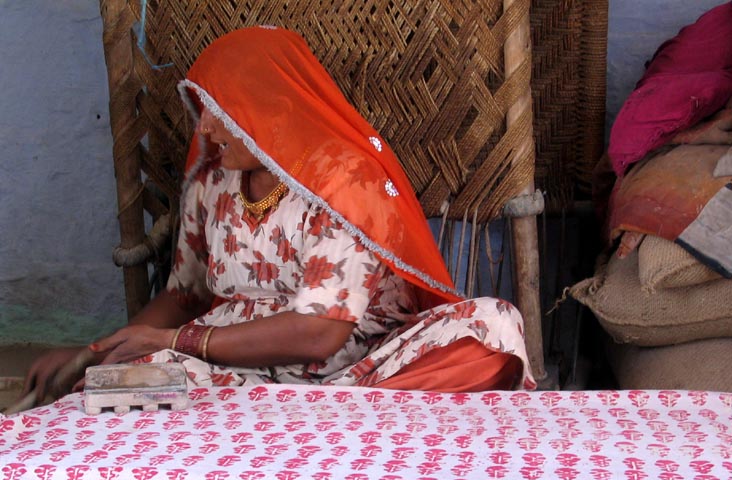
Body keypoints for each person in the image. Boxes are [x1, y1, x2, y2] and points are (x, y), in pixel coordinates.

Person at [23, 26, 535, 402]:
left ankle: (323, 424)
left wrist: (177, 342)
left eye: (217, 110)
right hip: (235, 370)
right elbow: (185, 297)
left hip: (363, 373)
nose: (203, 130)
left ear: (270, 109)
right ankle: (306, 430)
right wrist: (92, 352)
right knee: (124, 382)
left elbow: (320, 332)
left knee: (492, 324)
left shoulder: (344, 180)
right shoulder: (210, 184)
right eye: (200, 109)